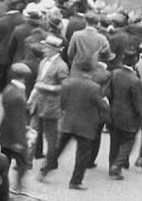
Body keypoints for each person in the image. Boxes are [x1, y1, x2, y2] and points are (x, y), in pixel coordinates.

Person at [39, 58, 109, 190]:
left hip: (68, 121)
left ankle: (44, 171)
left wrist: (66, 111)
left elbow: (63, 101)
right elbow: (102, 106)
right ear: (92, 71)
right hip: (85, 124)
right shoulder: (94, 87)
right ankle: (75, 181)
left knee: (58, 149)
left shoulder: (68, 83)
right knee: (82, 154)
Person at [27, 35, 68, 161]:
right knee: (32, 133)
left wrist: (47, 87)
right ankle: (26, 161)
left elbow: (64, 87)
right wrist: (31, 97)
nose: (43, 50)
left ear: (54, 50)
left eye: (46, 48)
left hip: (51, 106)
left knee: (51, 137)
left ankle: (50, 162)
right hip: (38, 104)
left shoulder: (61, 66)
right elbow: (38, 82)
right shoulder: (43, 62)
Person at [107, 50, 142, 180]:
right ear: (135, 62)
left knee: (114, 141)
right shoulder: (135, 81)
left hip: (114, 112)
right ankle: (117, 165)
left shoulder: (115, 73)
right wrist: (141, 117)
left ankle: (111, 165)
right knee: (129, 140)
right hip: (129, 116)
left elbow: (108, 92)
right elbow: (137, 102)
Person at [0, 63, 30, 192]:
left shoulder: (9, 88)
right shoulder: (17, 95)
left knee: (5, 161)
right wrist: (19, 140)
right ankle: (17, 186)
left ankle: (2, 185)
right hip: (15, 135)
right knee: (23, 161)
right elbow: (16, 120)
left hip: (6, 132)